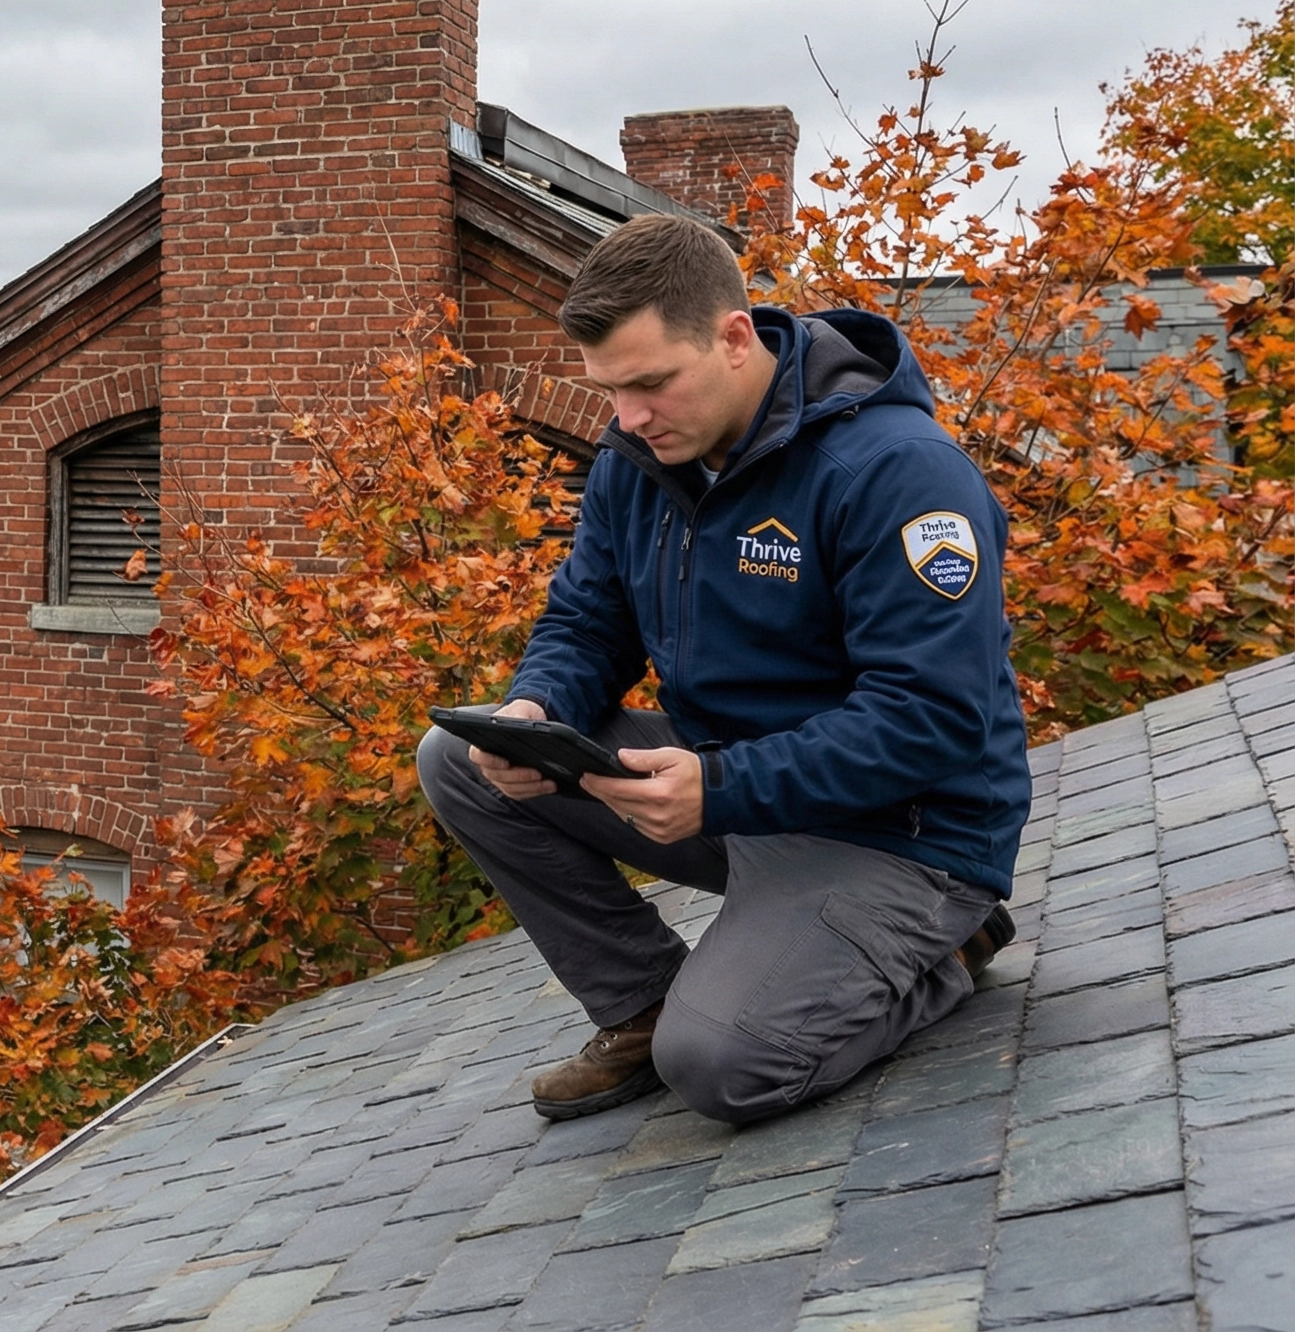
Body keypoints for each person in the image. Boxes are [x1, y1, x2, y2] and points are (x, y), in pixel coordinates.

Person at [417, 212, 1027, 1125]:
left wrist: (721, 785)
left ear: (736, 337)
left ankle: (946, 953)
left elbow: (931, 718)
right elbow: (588, 619)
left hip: (900, 835)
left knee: (720, 1068)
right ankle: (643, 1001)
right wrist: (538, 708)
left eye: (652, 384)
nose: (627, 418)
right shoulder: (644, 458)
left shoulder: (898, 473)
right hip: (728, 786)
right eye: (611, 391)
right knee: (458, 761)